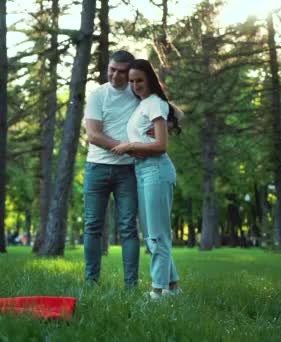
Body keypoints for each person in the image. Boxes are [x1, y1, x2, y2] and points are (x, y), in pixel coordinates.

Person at [111, 59, 182, 299]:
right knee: (152, 233)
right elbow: (170, 117)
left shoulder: (154, 104)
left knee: (157, 234)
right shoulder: (144, 104)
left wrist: (130, 145)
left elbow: (161, 146)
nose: (134, 85)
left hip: (157, 171)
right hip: (142, 172)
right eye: (131, 81)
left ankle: (157, 291)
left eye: (139, 80)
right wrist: (136, 146)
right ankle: (172, 288)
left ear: (149, 79)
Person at [83, 50, 140, 289]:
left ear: (131, 73)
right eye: (112, 70)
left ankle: (131, 286)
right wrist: (126, 147)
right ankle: (91, 282)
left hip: (127, 172)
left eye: (122, 72)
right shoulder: (98, 95)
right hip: (97, 168)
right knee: (92, 226)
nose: (115, 75)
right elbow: (93, 135)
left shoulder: (138, 93)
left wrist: (158, 132)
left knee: (128, 227)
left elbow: (171, 111)